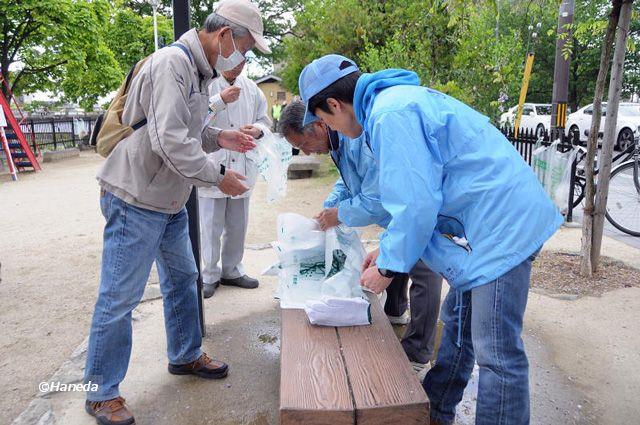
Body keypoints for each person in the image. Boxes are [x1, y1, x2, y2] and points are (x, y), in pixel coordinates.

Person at [298, 54, 563, 425]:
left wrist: (388, 267)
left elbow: (417, 205)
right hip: (489, 225)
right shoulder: (387, 107)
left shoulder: (390, 114)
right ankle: (436, 410)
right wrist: (386, 249)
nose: (333, 131)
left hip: (504, 228)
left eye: (327, 121)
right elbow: (416, 194)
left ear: (334, 104)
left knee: (497, 355)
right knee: (457, 326)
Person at [83, 1, 270, 424]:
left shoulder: (199, 72)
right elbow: (170, 140)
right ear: (224, 36)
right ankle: (100, 391)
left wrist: (223, 137)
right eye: (245, 48)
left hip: (167, 200)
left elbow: (192, 131)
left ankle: (184, 354)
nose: (244, 58)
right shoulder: (173, 64)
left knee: (184, 278)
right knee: (119, 297)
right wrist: (219, 175)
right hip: (135, 198)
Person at [278, 100, 443, 377]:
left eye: (303, 143)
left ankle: (418, 353)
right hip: (397, 213)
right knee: (390, 252)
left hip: (417, 209)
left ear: (319, 124)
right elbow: (348, 179)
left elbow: (375, 196)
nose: (305, 151)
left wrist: (340, 214)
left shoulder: (356, 134)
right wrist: (331, 206)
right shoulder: (336, 139)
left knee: (423, 270)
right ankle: (395, 310)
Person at [199, 59, 271, 297]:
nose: (237, 67)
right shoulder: (207, 85)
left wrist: (259, 130)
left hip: (242, 163)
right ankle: (209, 274)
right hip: (214, 163)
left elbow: (265, 120)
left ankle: (232, 270)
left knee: (238, 223)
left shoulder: (252, 89)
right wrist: (220, 100)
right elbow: (196, 119)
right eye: (232, 62)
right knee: (210, 225)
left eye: (241, 63)